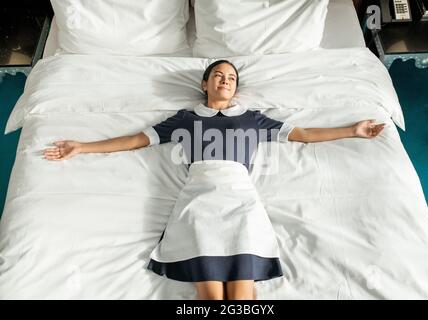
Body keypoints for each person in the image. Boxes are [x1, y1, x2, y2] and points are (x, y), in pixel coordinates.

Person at [43, 60, 385, 300]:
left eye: (231, 78)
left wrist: (352, 130)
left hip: (241, 201)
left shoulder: (253, 119)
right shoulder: (185, 118)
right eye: (218, 76)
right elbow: (134, 140)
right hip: (199, 201)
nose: (225, 81)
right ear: (205, 84)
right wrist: (82, 146)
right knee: (209, 294)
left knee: (242, 290)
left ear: (236, 88)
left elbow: (305, 134)